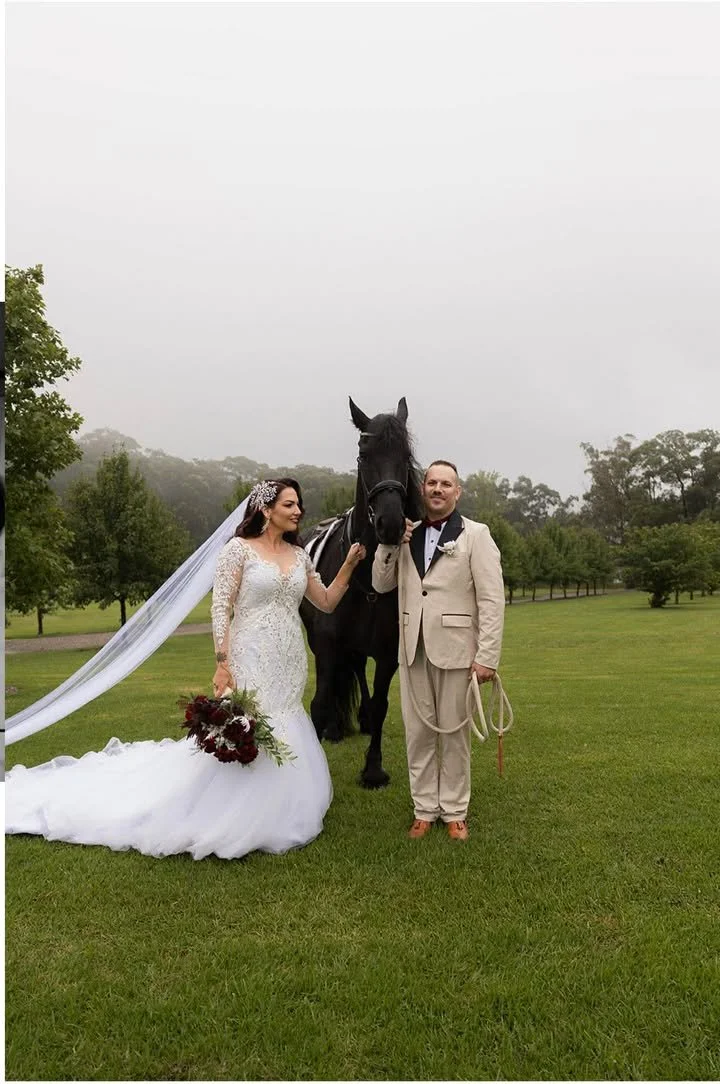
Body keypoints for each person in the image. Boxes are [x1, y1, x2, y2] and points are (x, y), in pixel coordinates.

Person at [5, 478, 365, 860]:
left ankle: (287, 804)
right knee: (254, 720)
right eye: (289, 504)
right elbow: (220, 607)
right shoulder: (238, 550)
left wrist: (348, 564)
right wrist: (222, 664)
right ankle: (236, 808)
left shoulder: (299, 555)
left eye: (298, 504)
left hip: (290, 657)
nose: (298, 511)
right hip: (250, 653)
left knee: (286, 717)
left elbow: (326, 601)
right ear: (266, 509)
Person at [372, 460, 505, 841]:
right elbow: (381, 584)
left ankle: (455, 811)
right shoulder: (406, 535)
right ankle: (424, 809)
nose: (437, 489)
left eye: (446, 484)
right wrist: (389, 543)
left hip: (457, 651)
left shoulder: (476, 535)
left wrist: (487, 656)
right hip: (412, 648)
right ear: (422, 489)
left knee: (454, 734)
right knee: (418, 735)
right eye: (431, 482)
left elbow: (492, 599)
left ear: (457, 492)